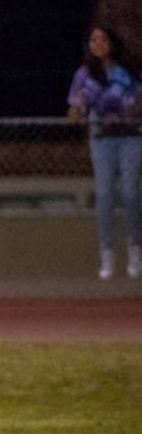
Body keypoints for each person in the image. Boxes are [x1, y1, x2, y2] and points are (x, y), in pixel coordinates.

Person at [66, 25, 141, 279]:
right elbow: (73, 111)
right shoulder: (84, 74)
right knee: (105, 195)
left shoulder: (127, 70)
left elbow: (139, 100)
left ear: (112, 43)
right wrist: (79, 108)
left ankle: (134, 252)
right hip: (101, 140)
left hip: (130, 137)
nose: (97, 44)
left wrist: (131, 111)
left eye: (102, 39)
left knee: (131, 193)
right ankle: (107, 255)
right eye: (93, 40)